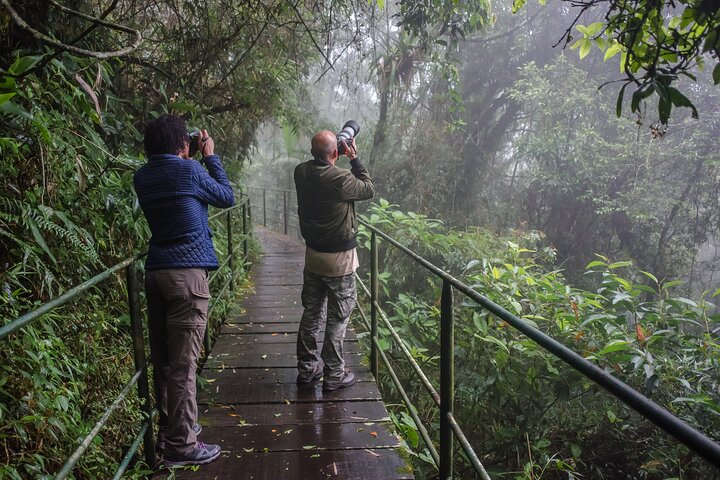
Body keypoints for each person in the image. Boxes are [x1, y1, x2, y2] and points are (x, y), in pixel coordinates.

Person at [133, 114, 234, 467]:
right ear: (183, 145)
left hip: (156, 273)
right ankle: (183, 445)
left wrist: (187, 157)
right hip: (186, 277)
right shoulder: (188, 171)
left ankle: (169, 432)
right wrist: (209, 156)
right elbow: (226, 196)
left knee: (164, 361)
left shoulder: (141, 176)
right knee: (184, 365)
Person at [294, 130, 375, 391]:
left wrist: (335, 153)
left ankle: (307, 370)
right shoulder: (341, 178)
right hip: (340, 261)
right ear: (335, 153)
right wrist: (354, 159)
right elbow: (368, 189)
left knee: (312, 314)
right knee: (337, 318)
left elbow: (321, 168)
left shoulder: (301, 172)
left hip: (313, 257)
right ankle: (334, 374)